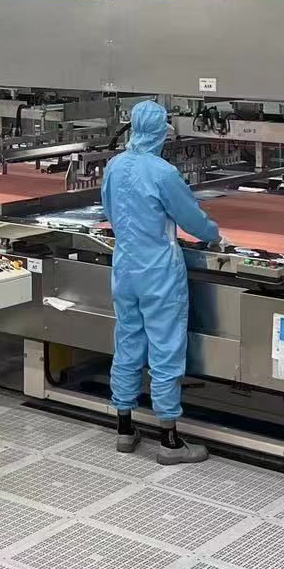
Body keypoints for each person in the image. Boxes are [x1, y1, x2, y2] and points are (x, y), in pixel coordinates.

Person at [100, 99, 226, 462]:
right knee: (165, 348)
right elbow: (190, 218)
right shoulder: (163, 172)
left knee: (127, 341)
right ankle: (170, 440)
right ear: (161, 132)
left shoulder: (114, 165)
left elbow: (109, 209)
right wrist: (214, 235)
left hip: (125, 267)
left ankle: (124, 428)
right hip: (158, 272)